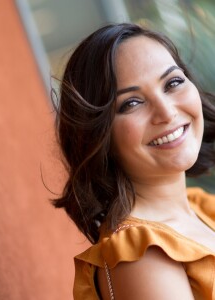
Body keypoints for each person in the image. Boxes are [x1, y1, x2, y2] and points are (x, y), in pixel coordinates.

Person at [52, 23, 215, 299]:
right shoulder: (142, 255)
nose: (166, 112)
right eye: (131, 103)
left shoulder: (202, 209)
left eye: (172, 83)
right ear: (99, 135)